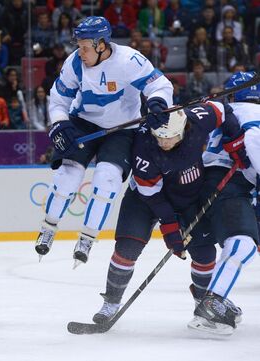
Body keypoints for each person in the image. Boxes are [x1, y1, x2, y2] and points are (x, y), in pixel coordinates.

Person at [35, 16, 174, 268]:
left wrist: (157, 103)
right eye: (78, 46)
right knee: (68, 177)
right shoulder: (75, 63)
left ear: (101, 45)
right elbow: (58, 99)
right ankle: (49, 226)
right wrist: (59, 123)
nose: (81, 52)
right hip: (83, 122)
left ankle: (87, 237)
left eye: (85, 47)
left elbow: (160, 85)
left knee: (107, 179)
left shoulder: (129, 61)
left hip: (122, 129)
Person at [91, 100, 245, 326]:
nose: (162, 141)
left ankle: (205, 303)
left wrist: (235, 144)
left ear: (182, 129)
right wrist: (170, 227)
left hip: (188, 196)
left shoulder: (197, 118)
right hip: (145, 199)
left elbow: (223, 110)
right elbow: (152, 195)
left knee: (204, 253)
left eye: (169, 137)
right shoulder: (145, 146)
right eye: (159, 136)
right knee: (127, 247)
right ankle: (111, 303)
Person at [188, 71, 260, 335]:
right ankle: (212, 303)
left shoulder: (224, 112)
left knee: (232, 243)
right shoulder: (254, 114)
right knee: (243, 244)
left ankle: (213, 299)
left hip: (203, 181)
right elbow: (252, 140)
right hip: (228, 183)